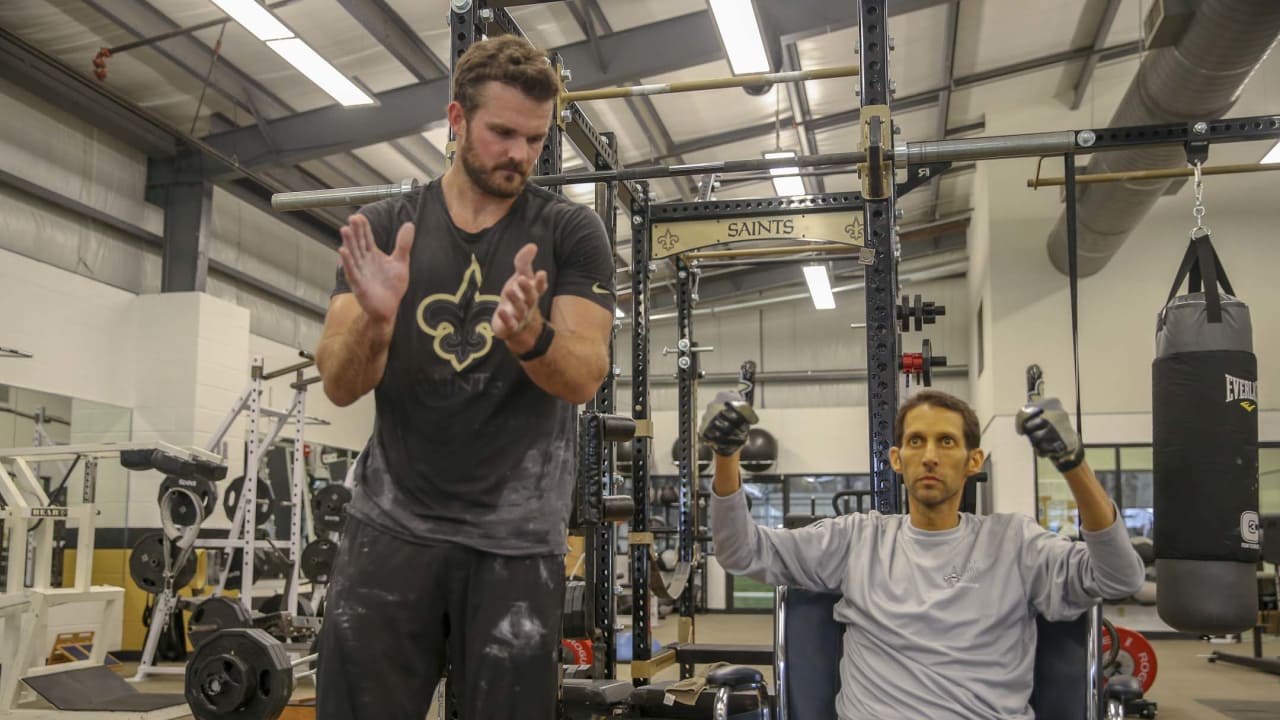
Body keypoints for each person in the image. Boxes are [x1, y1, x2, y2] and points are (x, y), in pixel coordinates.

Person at [313, 34, 615, 720]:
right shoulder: (387, 229)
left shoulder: (571, 233)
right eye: (502, 132)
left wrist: (530, 335)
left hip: (516, 540)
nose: (520, 154)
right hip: (391, 527)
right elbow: (337, 381)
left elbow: (584, 377)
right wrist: (377, 320)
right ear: (456, 122)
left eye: (534, 140)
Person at [701, 389, 1146, 720]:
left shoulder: (1015, 543)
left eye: (946, 442)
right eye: (916, 442)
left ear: (974, 461)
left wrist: (1071, 463)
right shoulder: (857, 540)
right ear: (897, 459)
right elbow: (741, 552)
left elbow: (1119, 578)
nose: (929, 456)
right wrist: (726, 456)